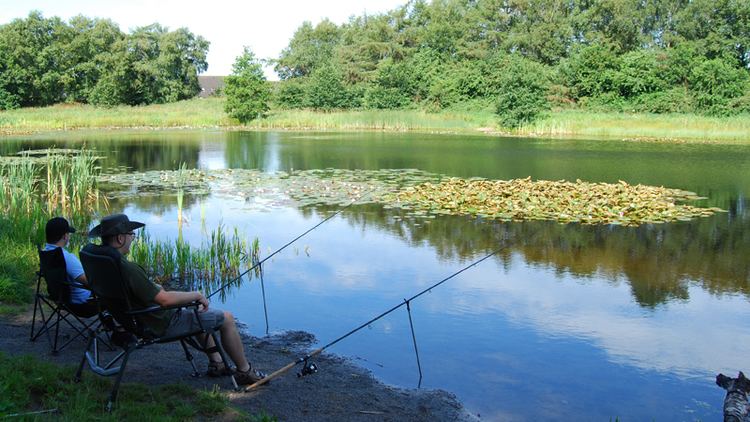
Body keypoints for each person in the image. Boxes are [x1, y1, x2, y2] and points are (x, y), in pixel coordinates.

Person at [88, 213, 265, 385]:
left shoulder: (102, 261)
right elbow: (164, 300)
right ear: (120, 239)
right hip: (159, 323)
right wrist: (196, 295)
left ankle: (217, 362)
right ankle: (244, 371)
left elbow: (140, 292)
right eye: (131, 235)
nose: (132, 239)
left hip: (131, 320)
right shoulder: (127, 268)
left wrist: (154, 289)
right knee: (226, 318)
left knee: (197, 313)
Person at [44, 217, 97, 317]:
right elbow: (89, 282)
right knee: (115, 294)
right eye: (68, 234)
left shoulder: (46, 253)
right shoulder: (66, 258)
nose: (69, 236)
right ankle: (119, 328)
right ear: (64, 236)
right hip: (82, 305)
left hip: (59, 299)